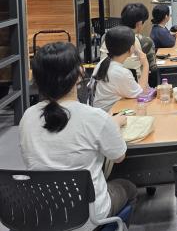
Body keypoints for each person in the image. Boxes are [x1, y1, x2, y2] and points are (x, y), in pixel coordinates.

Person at [20, 42, 137, 225]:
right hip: (88, 217)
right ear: (79, 74)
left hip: (42, 214)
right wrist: (112, 125)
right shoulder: (95, 117)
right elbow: (119, 156)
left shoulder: (27, 116)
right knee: (128, 187)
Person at [91, 26, 149, 113]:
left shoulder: (103, 62)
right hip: (109, 114)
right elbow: (141, 93)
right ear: (131, 48)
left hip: (99, 111)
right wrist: (146, 65)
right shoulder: (121, 73)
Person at [100, 3, 157, 80]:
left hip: (106, 79)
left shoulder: (107, 36)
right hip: (132, 82)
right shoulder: (143, 41)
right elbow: (153, 68)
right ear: (139, 23)